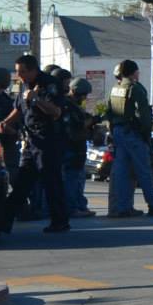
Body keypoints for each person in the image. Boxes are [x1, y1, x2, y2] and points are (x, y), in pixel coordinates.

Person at [6, 54, 70, 233]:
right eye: (18, 72)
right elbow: (19, 109)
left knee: (52, 183)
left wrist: (36, 99)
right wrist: (6, 123)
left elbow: (56, 112)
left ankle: (60, 221)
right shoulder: (24, 85)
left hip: (48, 141)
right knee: (21, 184)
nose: (20, 76)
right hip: (31, 141)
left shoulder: (49, 84)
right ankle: (3, 221)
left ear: (34, 70)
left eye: (23, 72)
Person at [106, 59, 153, 218]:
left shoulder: (115, 88)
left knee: (121, 173)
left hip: (118, 133)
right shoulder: (135, 88)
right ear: (134, 72)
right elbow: (144, 115)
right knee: (144, 172)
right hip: (133, 134)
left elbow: (109, 112)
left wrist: (112, 132)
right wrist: (145, 134)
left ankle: (120, 208)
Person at [59, 72, 96, 219]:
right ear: (73, 91)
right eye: (82, 94)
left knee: (77, 180)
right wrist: (90, 122)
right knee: (71, 180)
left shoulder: (72, 106)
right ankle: (72, 208)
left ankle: (79, 205)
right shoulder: (68, 106)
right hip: (72, 149)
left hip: (77, 149)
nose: (84, 98)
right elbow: (76, 127)